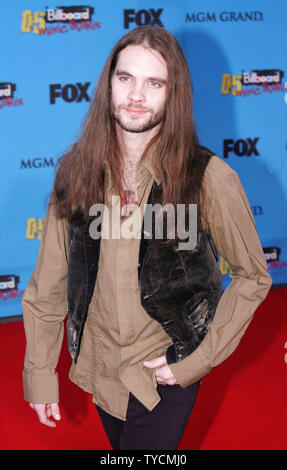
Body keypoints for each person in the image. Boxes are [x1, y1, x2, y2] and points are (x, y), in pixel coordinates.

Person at [22, 26, 272, 450]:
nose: (136, 95)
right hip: (101, 364)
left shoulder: (209, 178)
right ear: (109, 84)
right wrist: (40, 373)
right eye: (126, 79)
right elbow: (47, 285)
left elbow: (253, 276)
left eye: (153, 82)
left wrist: (197, 360)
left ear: (173, 95)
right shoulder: (75, 172)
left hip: (167, 367)